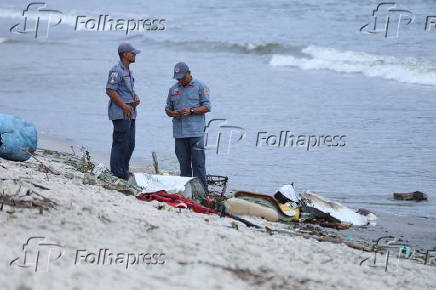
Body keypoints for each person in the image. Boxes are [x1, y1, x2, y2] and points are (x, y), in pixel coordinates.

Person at [165, 62, 211, 191]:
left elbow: (207, 107)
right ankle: (187, 192)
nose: (180, 80)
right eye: (178, 78)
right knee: (184, 165)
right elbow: (167, 109)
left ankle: (203, 192)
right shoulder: (173, 89)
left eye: (182, 77)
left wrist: (191, 111)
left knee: (199, 165)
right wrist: (172, 113)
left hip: (196, 133)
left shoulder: (201, 86)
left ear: (189, 73)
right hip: (179, 133)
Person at [105, 43, 141, 180]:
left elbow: (124, 90)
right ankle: (117, 173)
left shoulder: (128, 71)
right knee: (121, 143)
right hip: (121, 112)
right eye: (133, 53)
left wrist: (134, 97)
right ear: (125, 54)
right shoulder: (116, 70)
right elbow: (110, 90)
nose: (135, 55)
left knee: (130, 144)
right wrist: (124, 106)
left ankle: (124, 171)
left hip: (130, 112)